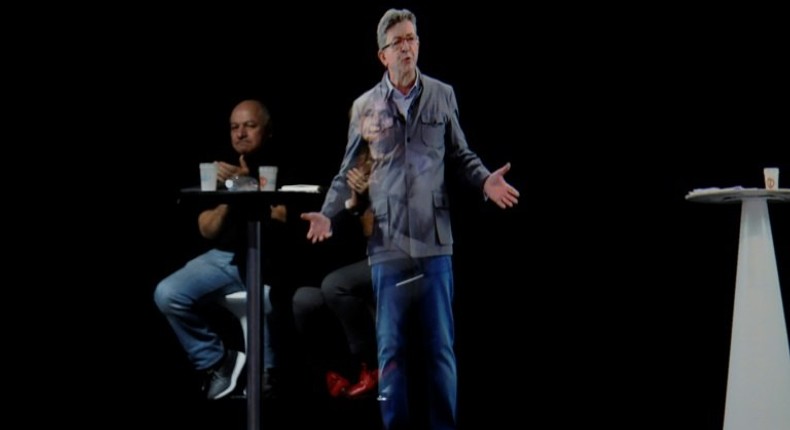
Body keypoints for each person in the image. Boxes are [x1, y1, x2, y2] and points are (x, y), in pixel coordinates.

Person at [301, 8, 520, 430]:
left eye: (412, 38)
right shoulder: (364, 106)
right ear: (382, 55)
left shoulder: (442, 94)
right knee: (392, 352)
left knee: (440, 348)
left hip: (434, 242)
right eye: (398, 42)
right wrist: (329, 214)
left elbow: (461, 155)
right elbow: (350, 173)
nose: (407, 47)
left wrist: (484, 182)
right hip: (387, 244)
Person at [154, 99, 281, 400]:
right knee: (168, 293)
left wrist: (249, 185)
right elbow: (207, 228)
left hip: (270, 256)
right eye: (234, 127)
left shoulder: (279, 162)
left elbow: (284, 216)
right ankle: (217, 362)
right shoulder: (220, 167)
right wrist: (231, 192)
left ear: (267, 130)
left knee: (264, 297)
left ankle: (267, 374)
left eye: (249, 126)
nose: (240, 134)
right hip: (225, 258)